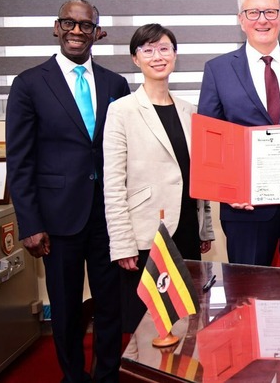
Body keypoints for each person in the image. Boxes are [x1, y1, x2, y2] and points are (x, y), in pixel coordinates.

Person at [5, 0, 130, 383]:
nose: (77, 31)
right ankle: (74, 377)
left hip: (108, 216)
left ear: (98, 32)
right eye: (69, 23)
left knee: (111, 305)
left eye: (86, 25)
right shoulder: (29, 83)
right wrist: (29, 222)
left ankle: (107, 375)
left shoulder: (116, 84)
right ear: (56, 28)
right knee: (65, 305)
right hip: (57, 219)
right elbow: (20, 160)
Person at [198, 0, 280, 267]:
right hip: (245, 206)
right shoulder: (217, 69)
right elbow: (210, 137)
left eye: (270, 11)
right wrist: (227, 191)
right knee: (247, 294)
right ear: (241, 20)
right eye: (253, 12)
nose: (262, 20)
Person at [103, 24, 215, 332]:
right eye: (148, 50)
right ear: (135, 59)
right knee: (147, 325)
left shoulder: (190, 111)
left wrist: (206, 229)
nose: (157, 56)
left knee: (187, 319)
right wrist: (122, 244)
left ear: (175, 56)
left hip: (187, 232)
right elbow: (113, 184)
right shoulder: (121, 111)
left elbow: (197, 176)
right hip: (145, 234)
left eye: (164, 49)